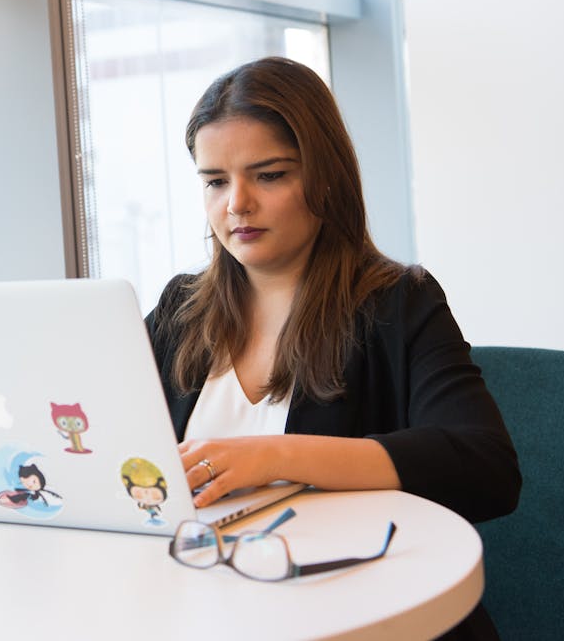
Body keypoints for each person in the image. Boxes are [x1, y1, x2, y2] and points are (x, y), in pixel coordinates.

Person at [144, 57, 520, 639]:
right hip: (208, 607)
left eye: (268, 175)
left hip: (359, 615)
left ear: (324, 177)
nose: (236, 203)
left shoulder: (399, 302)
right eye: (216, 181)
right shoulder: (180, 310)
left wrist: (275, 456)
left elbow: (486, 466)